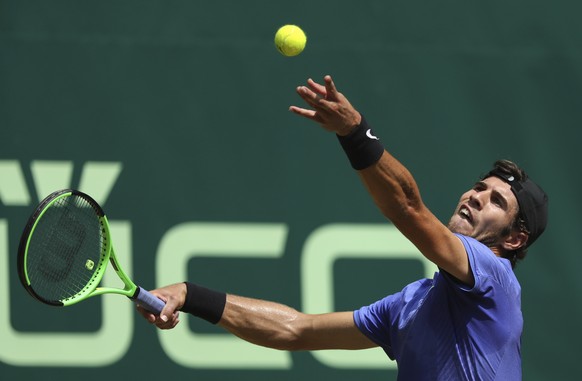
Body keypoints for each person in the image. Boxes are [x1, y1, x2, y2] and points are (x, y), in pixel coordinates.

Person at [137, 75, 548, 380]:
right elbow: (295, 330)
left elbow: (407, 207)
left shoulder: (494, 278)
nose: (476, 196)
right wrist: (191, 296)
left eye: (497, 201)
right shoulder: (411, 304)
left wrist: (355, 133)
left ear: (514, 239)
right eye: (479, 187)